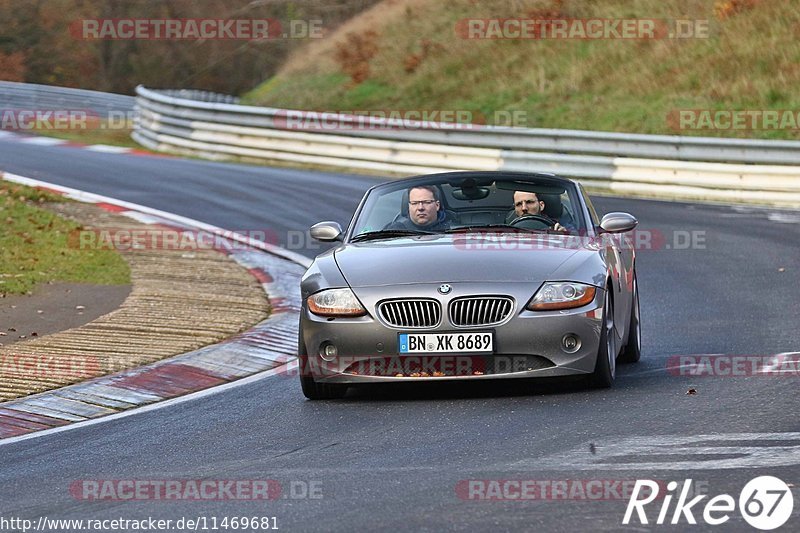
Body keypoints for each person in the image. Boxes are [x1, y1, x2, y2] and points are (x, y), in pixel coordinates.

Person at [384, 185, 452, 231]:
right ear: (409, 206)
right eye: (414, 203)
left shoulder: (453, 226)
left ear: (437, 205)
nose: (420, 208)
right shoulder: (394, 231)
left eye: (426, 202)